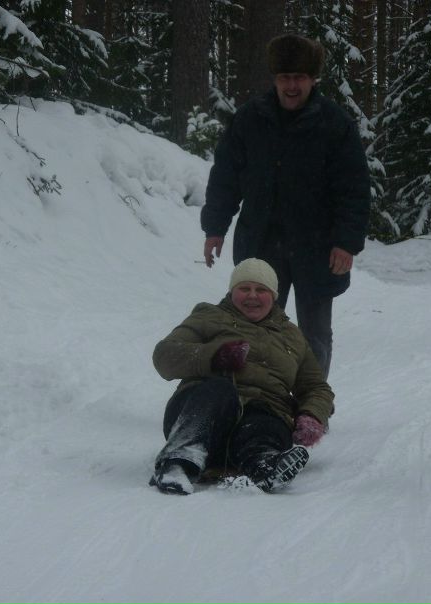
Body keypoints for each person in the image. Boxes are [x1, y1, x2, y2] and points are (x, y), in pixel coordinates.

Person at [201, 33, 371, 381]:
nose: (292, 86)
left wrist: (346, 241)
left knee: (315, 335)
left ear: (313, 79)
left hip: (318, 246)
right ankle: (261, 398)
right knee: (256, 326)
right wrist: (215, 227)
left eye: (300, 78)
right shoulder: (250, 118)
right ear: (274, 79)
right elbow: (226, 176)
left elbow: (353, 188)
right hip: (261, 242)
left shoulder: (335, 124)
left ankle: (311, 405)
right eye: (284, 77)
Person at [149, 258, 334, 495]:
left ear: (274, 295)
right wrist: (214, 357)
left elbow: (316, 386)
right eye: (244, 288)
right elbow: (164, 356)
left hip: (262, 414)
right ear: (232, 291)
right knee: (219, 390)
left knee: (267, 420)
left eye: (261, 290)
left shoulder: (292, 336)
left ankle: (265, 466)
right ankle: (178, 462)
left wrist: (311, 414)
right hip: (203, 412)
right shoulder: (207, 317)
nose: (252, 296)